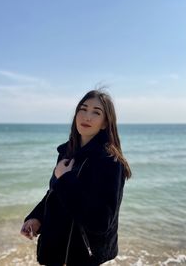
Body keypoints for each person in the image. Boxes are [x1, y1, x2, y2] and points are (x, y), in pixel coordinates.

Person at [20, 89, 131, 266]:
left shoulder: (109, 162)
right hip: (55, 252)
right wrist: (36, 218)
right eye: (83, 109)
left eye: (96, 112)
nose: (87, 116)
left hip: (81, 257)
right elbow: (55, 195)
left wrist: (65, 180)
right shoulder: (67, 153)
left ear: (104, 123)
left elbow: (101, 222)